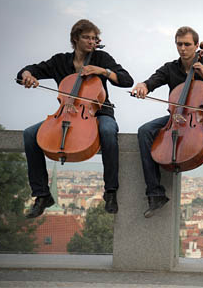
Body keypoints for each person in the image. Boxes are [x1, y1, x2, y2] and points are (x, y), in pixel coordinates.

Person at [17, 19, 134, 218]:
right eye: (86, 37)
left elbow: (126, 80)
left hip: (99, 112)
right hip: (67, 112)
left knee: (107, 131)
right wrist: (27, 75)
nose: (91, 41)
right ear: (75, 39)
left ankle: (111, 191)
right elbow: (28, 71)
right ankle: (42, 195)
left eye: (94, 38)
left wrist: (101, 71)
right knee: (30, 134)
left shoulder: (101, 58)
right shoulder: (60, 61)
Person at [131, 26, 203, 223]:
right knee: (145, 131)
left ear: (197, 46)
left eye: (187, 44)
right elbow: (152, 81)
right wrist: (143, 86)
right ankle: (155, 193)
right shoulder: (170, 68)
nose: (183, 48)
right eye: (179, 44)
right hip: (177, 117)